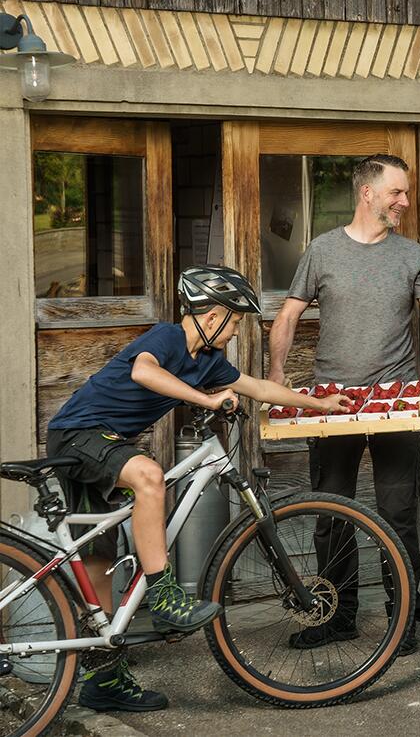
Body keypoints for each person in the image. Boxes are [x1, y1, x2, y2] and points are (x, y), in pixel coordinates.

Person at [46, 265, 349, 712]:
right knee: (149, 475)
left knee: (100, 562)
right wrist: (207, 400)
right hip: (80, 435)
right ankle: (165, 595)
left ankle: (103, 679)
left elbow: (259, 387)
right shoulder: (167, 338)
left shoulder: (207, 361)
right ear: (213, 318)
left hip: (100, 442)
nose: (234, 333)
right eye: (235, 323)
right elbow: (143, 373)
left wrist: (318, 402)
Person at [268, 153, 420, 655]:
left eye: (407, 193)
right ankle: (338, 616)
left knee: (398, 514)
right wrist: (278, 375)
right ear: (367, 193)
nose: (405, 202)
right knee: (331, 515)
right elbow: (286, 317)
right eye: (397, 192)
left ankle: (404, 617)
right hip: (332, 401)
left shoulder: (412, 255)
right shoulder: (322, 251)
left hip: (396, 401)